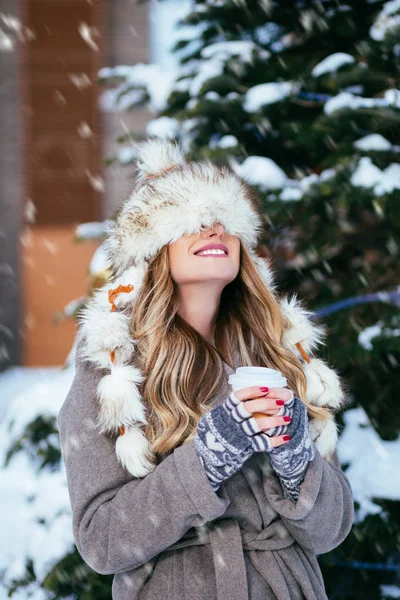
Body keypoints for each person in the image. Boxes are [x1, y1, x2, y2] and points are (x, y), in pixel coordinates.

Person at [57, 137, 354, 600]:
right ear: (154, 250)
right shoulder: (114, 367)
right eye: (193, 220)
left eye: (224, 221)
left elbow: (330, 530)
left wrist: (296, 455)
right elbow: (102, 540)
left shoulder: (282, 355)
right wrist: (210, 455)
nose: (214, 229)